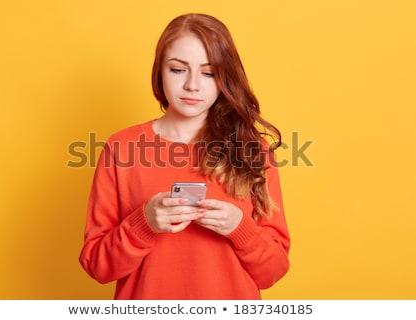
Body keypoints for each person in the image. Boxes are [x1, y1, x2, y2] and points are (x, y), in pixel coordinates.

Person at [79, 13, 290, 300]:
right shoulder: (120, 148)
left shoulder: (253, 151)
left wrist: (240, 228)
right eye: (178, 70)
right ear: (159, 72)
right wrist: (144, 224)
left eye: (208, 73)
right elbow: (97, 266)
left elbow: (274, 270)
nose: (192, 85)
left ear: (225, 77)